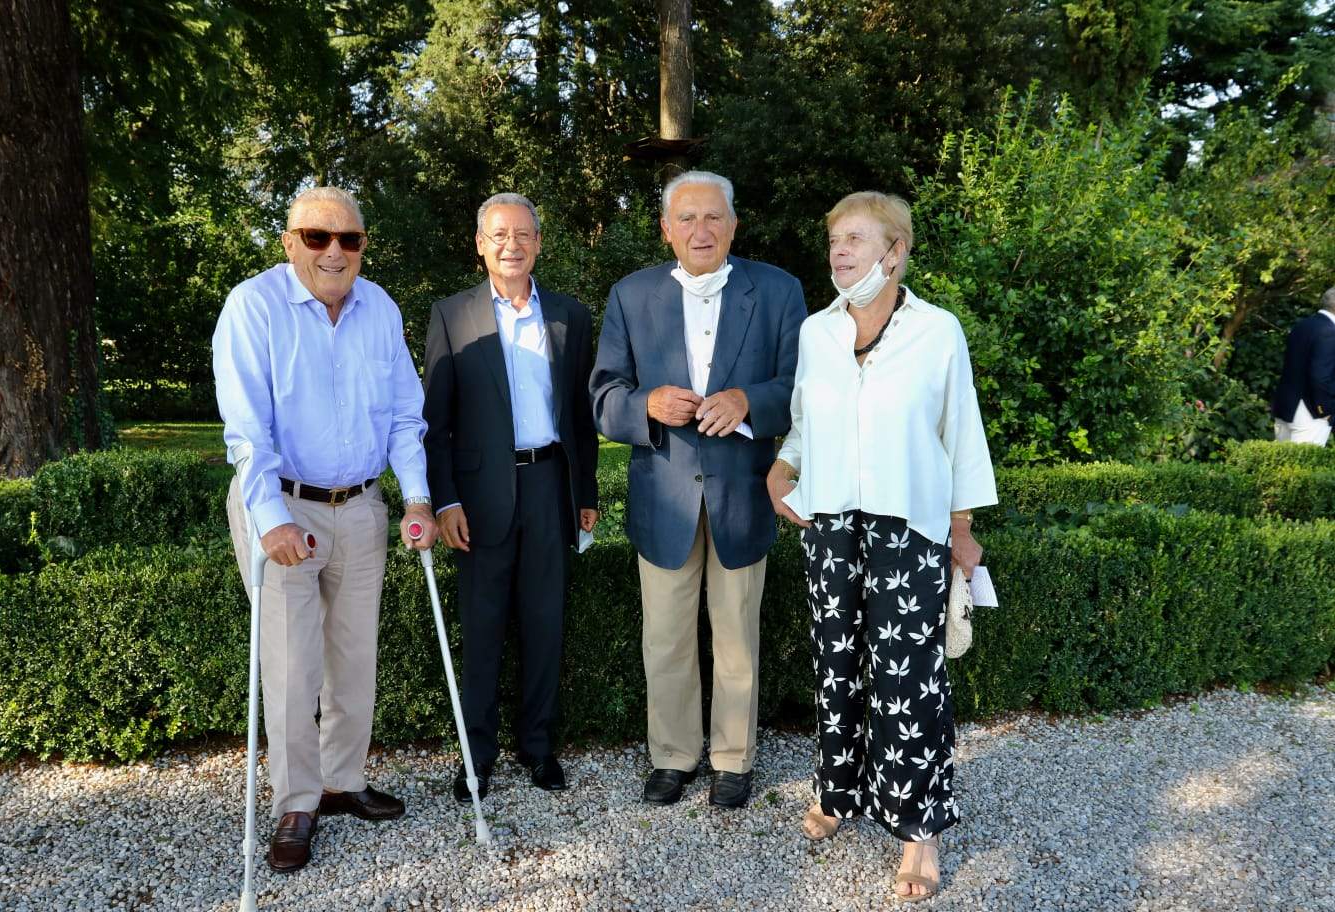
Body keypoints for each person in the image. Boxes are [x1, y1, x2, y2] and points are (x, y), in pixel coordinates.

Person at [766, 192, 996, 901]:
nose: (840, 250)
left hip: (909, 526)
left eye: (857, 238)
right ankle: (838, 791)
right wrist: (782, 468)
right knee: (835, 667)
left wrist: (962, 529)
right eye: (835, 238)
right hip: (831, 522)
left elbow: (961, 431)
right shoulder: (817, 332)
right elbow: (805, 422)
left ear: (894, 253)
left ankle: (918, 829)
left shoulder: (937, 331)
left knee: (908, 681)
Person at [213, 186, 440, 873]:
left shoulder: (381, 308)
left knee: (354, 655)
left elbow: (404, 416)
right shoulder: (253, 306)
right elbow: (246, 431)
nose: (334, 251)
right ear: (290, 243)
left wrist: (418, 500)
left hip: (362, 506)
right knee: (292, 663)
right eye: (317, 237)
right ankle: (297, 802)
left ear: (363, 246)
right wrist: (271, 520)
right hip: (285, 507)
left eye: (349, 239)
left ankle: (343, 781)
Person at [591, 171, 806, 809]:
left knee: (737, 633)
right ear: (666, 229)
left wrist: (749, 401)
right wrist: (645, 404)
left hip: (742, 492)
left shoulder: (778, 290)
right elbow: (602, 397)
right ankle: (673, 755)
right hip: (663, 495)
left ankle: (733, 759)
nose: (701, 230)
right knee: (665, 637)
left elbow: (802, 386)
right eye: (686, 218)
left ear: (734, 225)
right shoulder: (631, 295)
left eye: (714, 217)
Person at [423, 192, 600, 802]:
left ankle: (539, 746)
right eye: (499, 235)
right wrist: (445, 501)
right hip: (479, 497)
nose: (511, 245)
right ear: (480, 244)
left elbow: (581, 416)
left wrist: (586, 492)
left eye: (523, 234)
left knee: (545, 623)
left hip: (550, 484)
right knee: (483, 628)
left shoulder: (571, 317)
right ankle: (476, 755)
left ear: (539, 242)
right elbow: (435, 423)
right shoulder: (451, 315)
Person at [1270, 286, 1335, 446]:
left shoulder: (1303, 325)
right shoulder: (1329, 331)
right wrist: (1325, 410)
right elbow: (1320, 376)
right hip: (1310, 413)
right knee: (1303, 462)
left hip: (1286, 406)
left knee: (1282, 460)